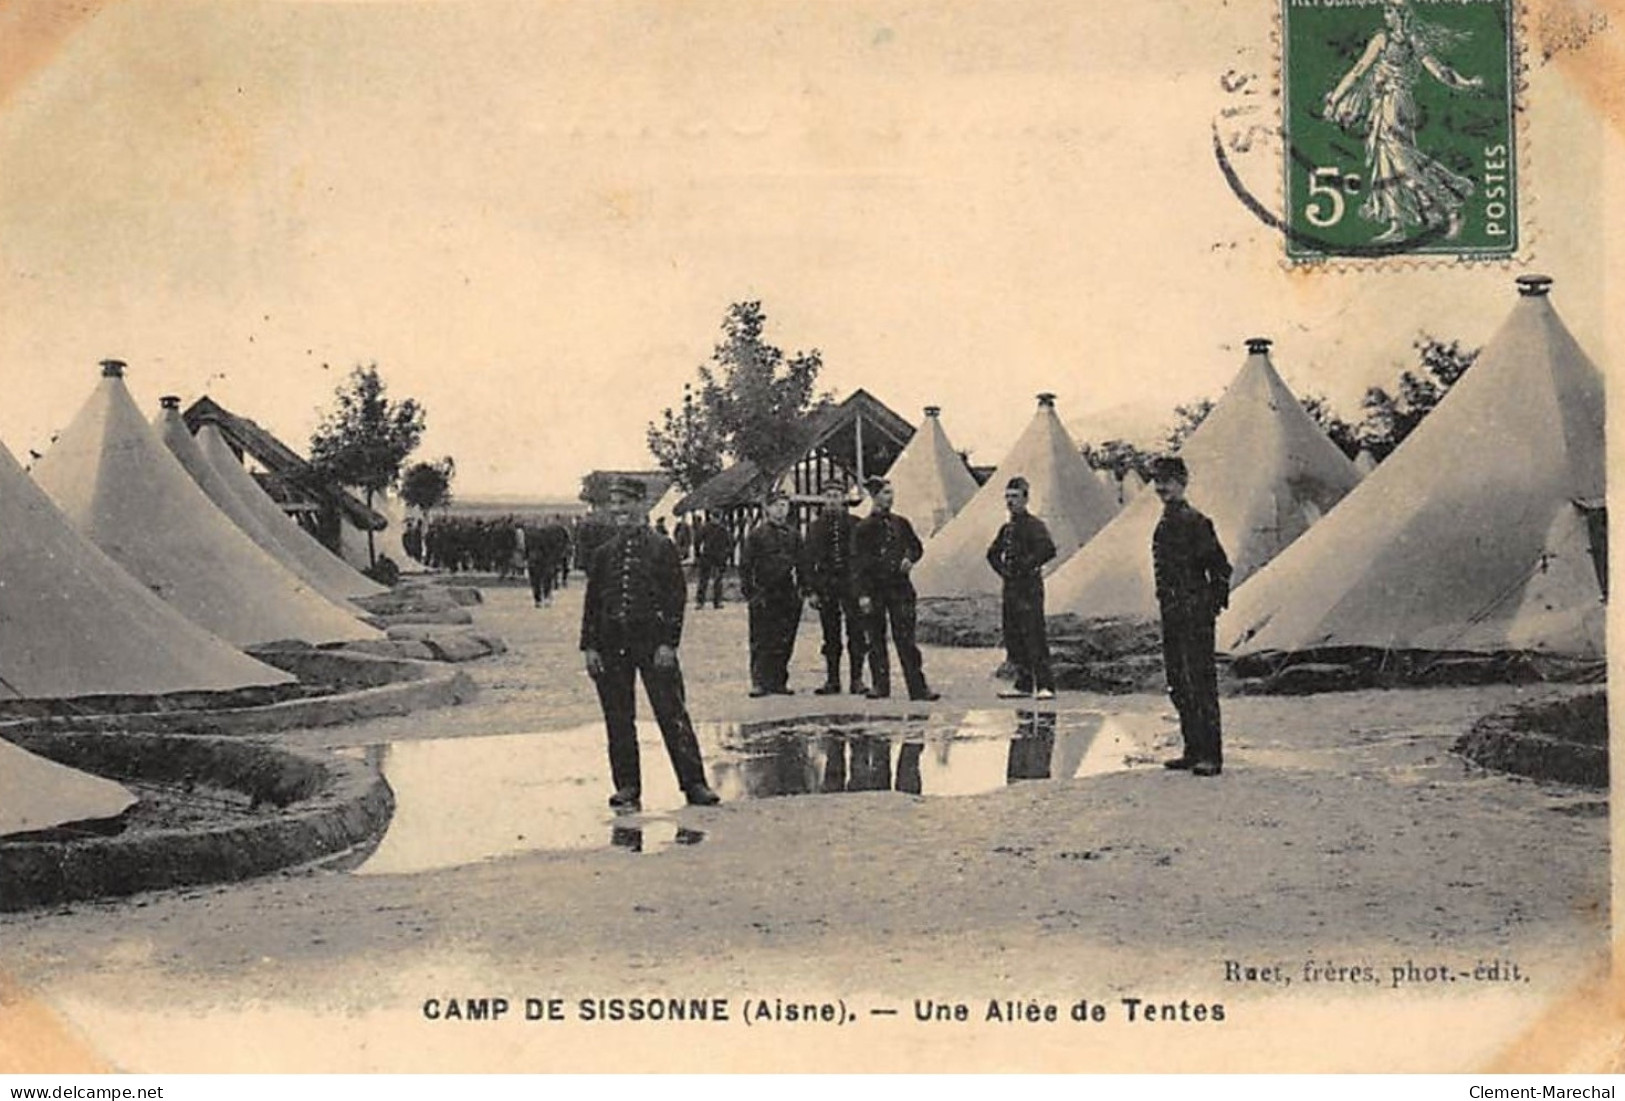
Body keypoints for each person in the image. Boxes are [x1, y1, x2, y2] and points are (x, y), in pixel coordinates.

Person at [580, 477, 721, 810]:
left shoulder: (662, 547)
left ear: (641, 505)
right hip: (612, 645)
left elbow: (676, 597)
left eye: (625, 503)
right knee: (618, 717)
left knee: (672, 713)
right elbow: (592, 603)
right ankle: (627, 786)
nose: (619, 511)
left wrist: (668, 644)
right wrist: (590, 647)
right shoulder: (603, 554)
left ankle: (694, 784)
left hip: (653, 644)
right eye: (615, 505)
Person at [1322, 0, 1484, 243]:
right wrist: (1336, 97)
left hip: (1395, 106)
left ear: (1402, 14)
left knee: (1403, 161)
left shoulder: (1403, 41)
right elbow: (1359, 70)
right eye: (1385, 11)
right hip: (1385, 106)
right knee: (1387, 161)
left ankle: (1450, 207)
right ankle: (1398, 223)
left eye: (1390, 11)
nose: (1386, 17)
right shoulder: (1395, 40)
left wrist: (1464, 84)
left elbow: (1440, 71)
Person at [1150, 456, 1232, 778]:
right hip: (1172, 614)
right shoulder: (1165, 522)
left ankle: (1211, 755)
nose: (1161, 487)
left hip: (1194, 614)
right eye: (1157, 481)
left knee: (1200, 683)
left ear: (1183, 482)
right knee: (1178, 683)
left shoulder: (1197, 522)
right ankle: (1192, 749)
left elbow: (1220, 568)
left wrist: (1209, 606)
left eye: (1167, 481)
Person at [851, 476, 939, 702]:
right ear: (874, 496)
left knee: (906, 640)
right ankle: (881, 686)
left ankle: (918, 689)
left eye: (891, 492)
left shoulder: (902, 523)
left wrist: (910, 558)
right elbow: (857, 565)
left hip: (900, 590)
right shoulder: (863, 528)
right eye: (886, 493)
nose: (891, 497)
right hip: (875, 590)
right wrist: (862, 595)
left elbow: (917, 547)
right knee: (876, 640)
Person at [986, 475, 1058, 700]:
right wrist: (1004, 572)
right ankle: (1024, 684)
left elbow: (1048, 550)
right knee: (1014, 636)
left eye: (1015, 497)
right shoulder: (1007, 528)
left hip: (1029, 587)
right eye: (1007, 497)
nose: (1010, 501)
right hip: (1011, 588)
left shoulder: (1035, 525)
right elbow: (991, 554)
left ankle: (1046, 685)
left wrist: (1025, 567)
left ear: (1026, 499)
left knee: (1034, 634)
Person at [801, 481, 867, 695]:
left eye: (836, 496)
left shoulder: (856, 524)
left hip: (852, 585)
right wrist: (810, 591)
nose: (832, 501)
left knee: (856, 632)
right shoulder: (814, 527)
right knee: (830, 634)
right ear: (823, 500)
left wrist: (865, 590)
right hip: (826, 586)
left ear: (843, 499)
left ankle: (857, 680)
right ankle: (833, 680)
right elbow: (807, 562)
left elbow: (865, 558)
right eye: (828, 496)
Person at [739, 491, 803, 697]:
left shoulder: (794, 535)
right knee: (761, 638)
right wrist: (751, 594)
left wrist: (802, 590)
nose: (780, 509)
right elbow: (745, 566)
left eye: (784, 505)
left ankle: (778, 681)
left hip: (787, 593)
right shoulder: (757, 535)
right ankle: (759, 682)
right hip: (764, 592)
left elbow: (803, 564)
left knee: (784, 639)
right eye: (776, 505)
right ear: (767, 508)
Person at [693, 513, 733, 609]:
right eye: (715, 517)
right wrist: (698, 553)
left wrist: (698, 553)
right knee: (707, 580)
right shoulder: (721, 529)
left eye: (716, 518)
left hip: (714, 557)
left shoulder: (713, 528)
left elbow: (730, 544)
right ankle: (706, 602)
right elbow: (697, 541)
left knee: (714, 580)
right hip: (712, 557)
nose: (715, 520)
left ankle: (711, 601)